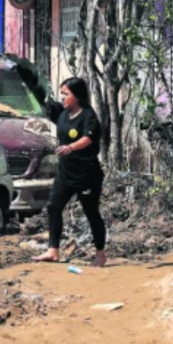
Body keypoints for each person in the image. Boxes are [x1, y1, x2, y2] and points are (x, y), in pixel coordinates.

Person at [32, 77, 108, 267]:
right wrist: (29, 79)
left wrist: (71, 147)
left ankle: (100, 254)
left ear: (77, 96)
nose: (62, 97)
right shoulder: (61, 113)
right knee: (53, 207)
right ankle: (53, 250)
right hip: (65, 174)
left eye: (66, 94)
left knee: (91, 213)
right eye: (61, 94)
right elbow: (43, 99)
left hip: (87, 175)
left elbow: (88, 138)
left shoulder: (89, 116)